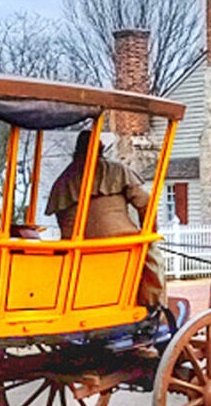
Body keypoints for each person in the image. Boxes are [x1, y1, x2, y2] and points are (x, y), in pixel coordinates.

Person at [46, 129, 165, 309]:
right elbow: (145, 203)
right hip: (120, 242)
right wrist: (150, 231)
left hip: (79, 248)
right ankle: (152, 305)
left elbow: (62, 221)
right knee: (153, 256)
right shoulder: (117, 170)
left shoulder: (64, 180)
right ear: (100, 148)